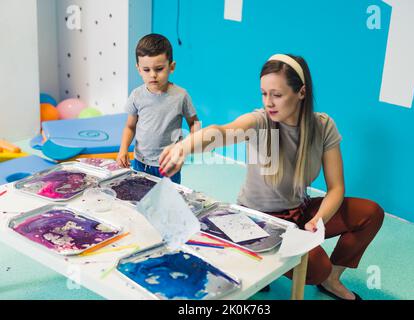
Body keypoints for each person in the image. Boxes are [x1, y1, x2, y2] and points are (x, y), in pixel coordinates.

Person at [158, 53, 385, 300]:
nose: (269, 102)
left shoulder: (323, 126)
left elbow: (336, 188)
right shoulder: (260, 121)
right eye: (264, 94)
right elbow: (220, 132)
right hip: (258, 220)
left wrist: (318, 221)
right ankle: (269, 262)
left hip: (300, 211)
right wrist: (184, 146)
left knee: (370, 213)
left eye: (277, 94)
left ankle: (331, 281)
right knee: (317, 268)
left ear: (301, 92)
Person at [117, 33, 200, 183]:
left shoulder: (181, 96)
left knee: (168, 202)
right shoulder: (136, 95)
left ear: (171, 67)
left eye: (159, 69)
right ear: (139, 69)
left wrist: (188, 147)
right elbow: (130, 126)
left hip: (169, 163)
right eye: (147, 70)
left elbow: (194, 123)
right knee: (138, 200)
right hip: (140, 162)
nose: (153, 75)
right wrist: (123, 150)